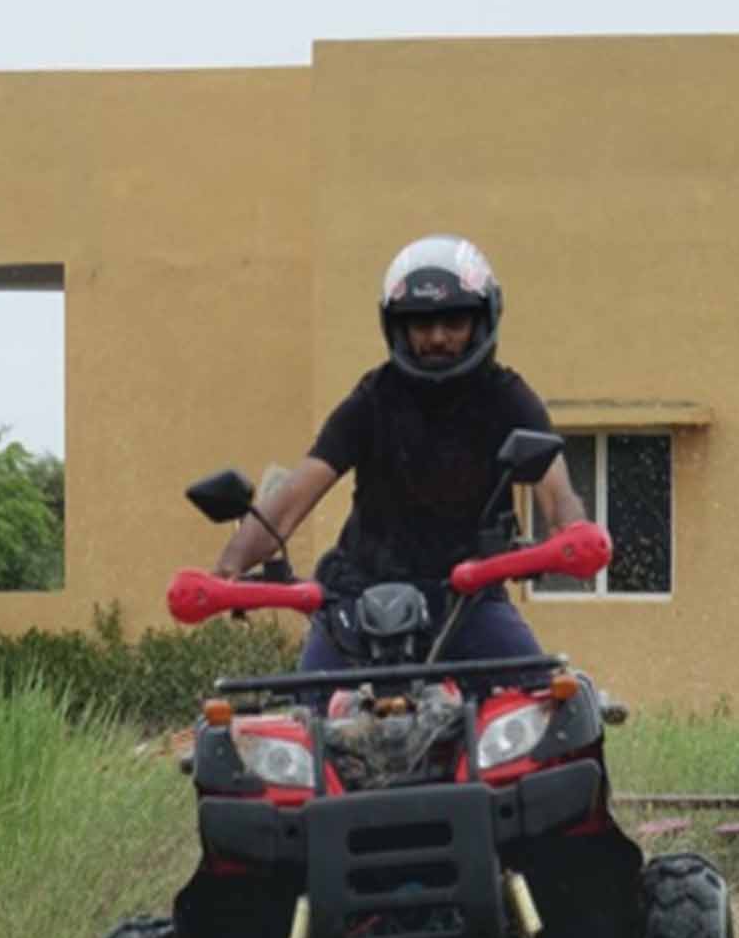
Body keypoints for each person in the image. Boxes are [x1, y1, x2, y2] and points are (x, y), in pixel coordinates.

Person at [215, 233, 589, 671]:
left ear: (482, 321)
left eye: (454, 322)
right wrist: (228, 569)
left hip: (468, 603)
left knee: (552, 711)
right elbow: (293, 498)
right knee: (305, 719)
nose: (436, 337)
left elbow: (555, 490)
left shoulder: (507, 398)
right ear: (397, 327)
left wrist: (574, 534)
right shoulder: (374, 398)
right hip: (358, 604)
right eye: (420, 324)